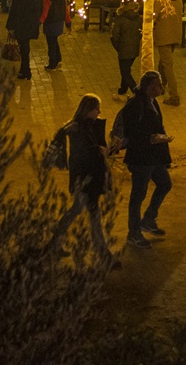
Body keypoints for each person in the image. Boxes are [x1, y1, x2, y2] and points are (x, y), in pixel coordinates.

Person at [113, 70, 174, 249]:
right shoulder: (136, 104)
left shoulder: (151, 101)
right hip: (140, 158)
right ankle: (133, 233)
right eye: (157, 85)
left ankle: (148, 219)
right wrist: (151, 138)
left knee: (164, 183)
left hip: (152, 156)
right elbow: (132, 132)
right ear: (148, 86)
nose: (161, 88)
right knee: (138, 195)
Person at [50, 94, 113, 259]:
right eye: (96, 108)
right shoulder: (79, 128)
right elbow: (83, 154)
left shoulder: (85, 126)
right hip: (86, 180)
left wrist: (106, 149)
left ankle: (55, 240)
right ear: (88, 110)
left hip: (85, 179)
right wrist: (98, 150)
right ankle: (103, 253)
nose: (99, 111)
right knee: (94, 217)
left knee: (77, 209)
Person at [6, 0, 43, 79]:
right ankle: (24, 69)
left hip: (21, 23)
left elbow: (14, 10)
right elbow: (40, 7)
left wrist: (10, 25)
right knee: (25, 45)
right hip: (31, 22)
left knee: (24, 46)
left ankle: (26, 70)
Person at [152, 0, 182, 105]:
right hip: (175, 35)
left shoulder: (160, 0)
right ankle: (161, 86)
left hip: (164, 37)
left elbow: (153, 17)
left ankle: (174, 96)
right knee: (163, 63)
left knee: (167, 66)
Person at [110, 0, 142, 95]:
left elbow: (114, 36)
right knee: (126, 68)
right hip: (134, 48)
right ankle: (123, 88)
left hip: (123, 49)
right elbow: (140, 33)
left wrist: (118, 47)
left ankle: (137, 91)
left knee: (125, 72)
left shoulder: (119, 19)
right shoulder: (139, 19)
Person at [41, 0, 71, 71]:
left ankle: (52, 63)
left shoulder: (47, 1)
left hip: (50, 25)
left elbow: (44, 14)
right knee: (55, 42)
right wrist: (68, 23)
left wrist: (38, 23)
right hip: (59, 24)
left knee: (51, 44)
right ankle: (58, 60)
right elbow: (66, 12)